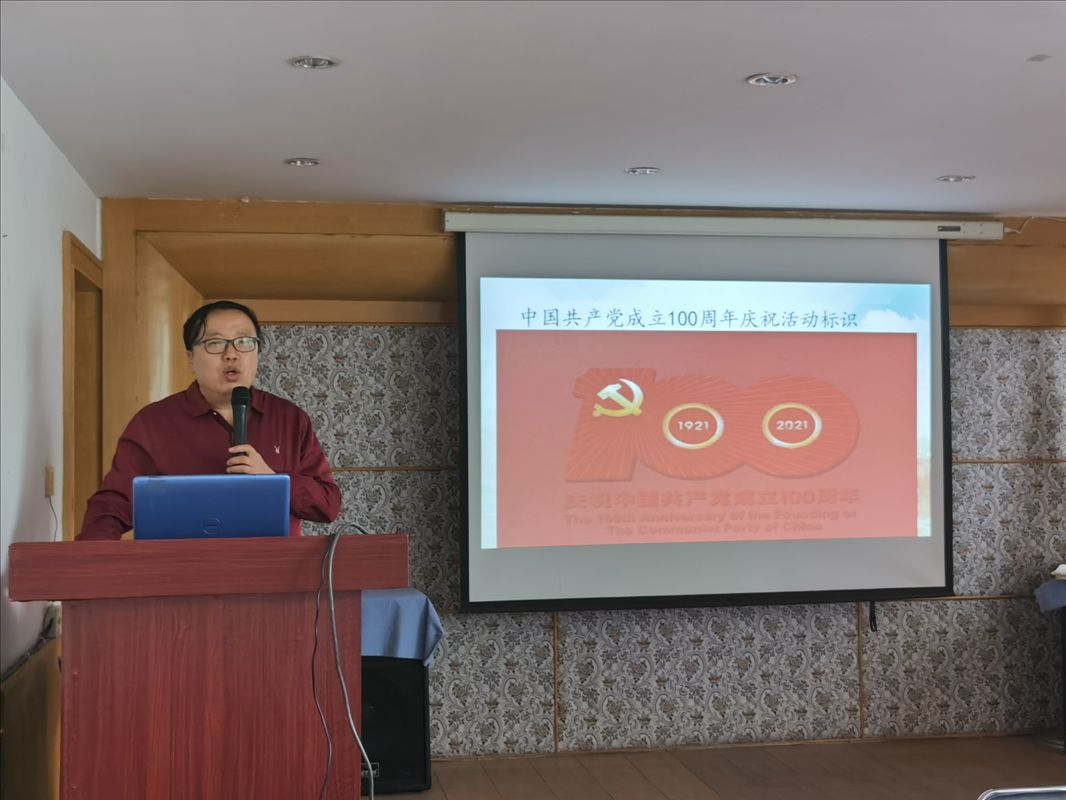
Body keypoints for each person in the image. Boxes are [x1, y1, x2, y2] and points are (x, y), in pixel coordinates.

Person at [77, 300, 341, 539]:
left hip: (274, 569)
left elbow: (328, 505)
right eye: (215, 343)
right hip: (183, 569)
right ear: (190, 357)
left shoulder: (290, 418)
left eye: (244, 341)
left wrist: (273, 480)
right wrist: (90, 562)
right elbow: (112, 507)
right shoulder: (153, 422)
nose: (231, 354)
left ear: (257, 352)